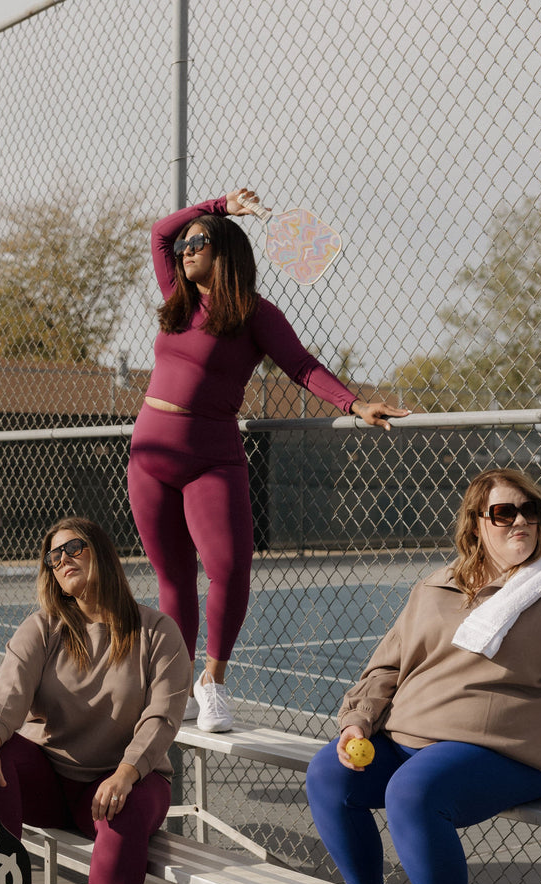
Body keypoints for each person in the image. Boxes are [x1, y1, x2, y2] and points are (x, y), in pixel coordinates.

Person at [127, 189, 409, 733]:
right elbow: (162, 230)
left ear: (226, 252)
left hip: (212, 457)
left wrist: (353, 403)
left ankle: (213, 680)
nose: (185, 249)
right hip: (149, 454)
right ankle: (179, 684)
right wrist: (217, 206)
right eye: (186, 245)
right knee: (173, 576)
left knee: (229, 567)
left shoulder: (255, 315)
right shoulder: (177, 298)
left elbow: (301, 366)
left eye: (199, 242)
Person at [305, 468, 541, 884]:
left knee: (415, 790)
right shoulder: (433, 587)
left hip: (501, 751)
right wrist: (357, 719)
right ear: (476, 524)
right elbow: (385, 670)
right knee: (328, 773)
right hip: (406, 737)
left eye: (530, 510)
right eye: (504, 512)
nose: (521, 521)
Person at [0, 516, 192, 884]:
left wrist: (127, 773)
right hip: (52, 778)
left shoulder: (157, 631)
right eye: (53, 555)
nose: (62, 560)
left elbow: (162, 717)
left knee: (124, 810)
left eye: (73, 548)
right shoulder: (43, 627)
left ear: (102, 552)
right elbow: (8, 696)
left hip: (124, 781)